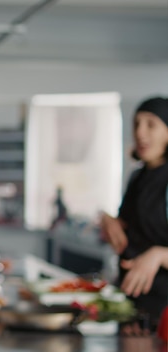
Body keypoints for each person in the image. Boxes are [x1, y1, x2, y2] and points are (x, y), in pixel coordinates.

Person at [100, 96, 168, 334]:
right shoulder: (137, 177)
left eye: (151, 124)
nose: (140, 133)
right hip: (132, 311)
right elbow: (128, 230)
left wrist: (159, 255)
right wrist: (108, 221)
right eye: (136, 124)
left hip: (164, 316)